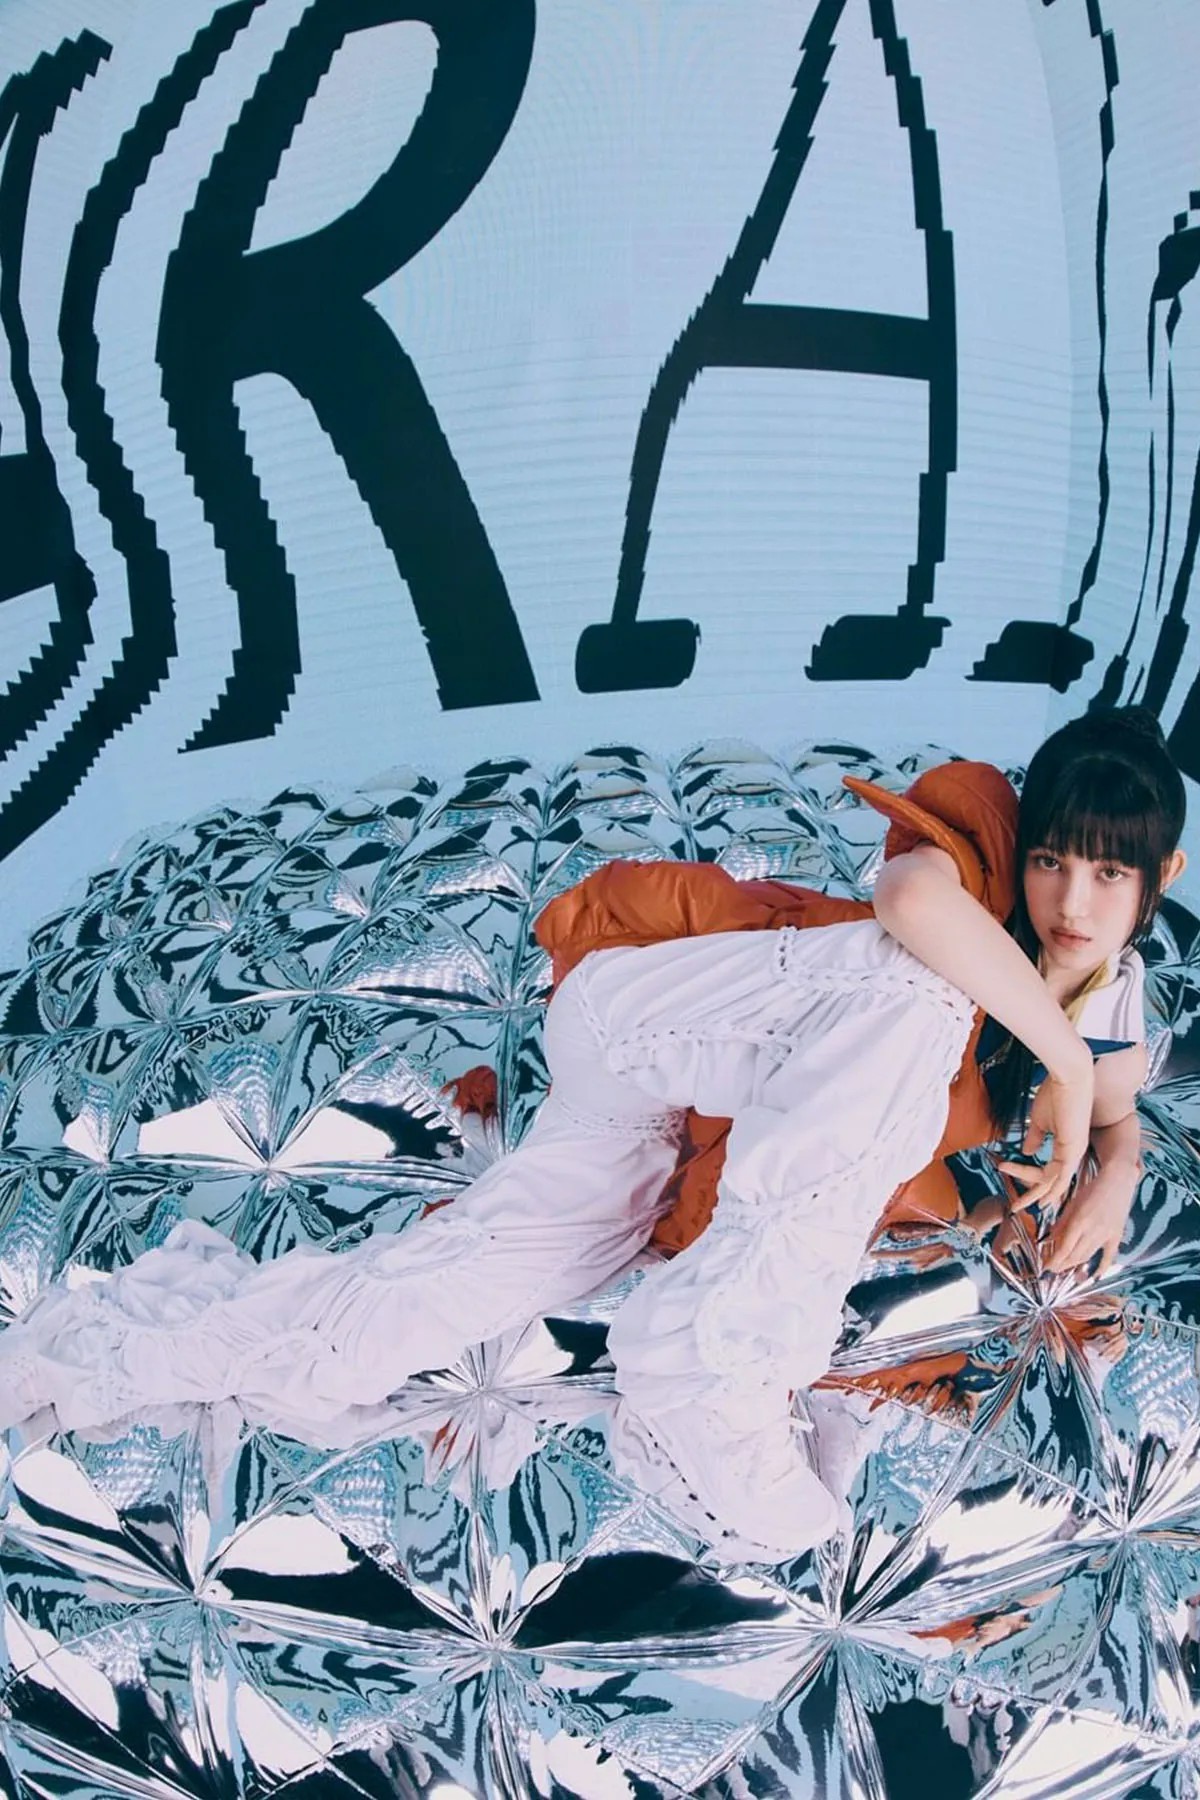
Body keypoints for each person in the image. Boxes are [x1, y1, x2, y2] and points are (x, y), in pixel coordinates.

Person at [0, 708, 1187, 1563]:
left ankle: (94, 1353)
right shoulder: (976, 851)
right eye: (1053, 861)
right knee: (920, 984)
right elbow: (910, 904)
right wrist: (1061, 1061)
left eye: (1109, 875)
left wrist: (1118, 1161)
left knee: (393, 1322)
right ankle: (712, 1352)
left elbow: (1116, 1113)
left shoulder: (1114, 1003)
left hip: (652, 1138)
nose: (1071, 902)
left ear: (1163, 876)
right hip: (642, 1020)